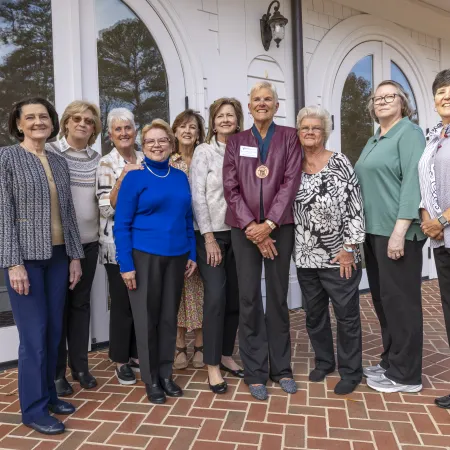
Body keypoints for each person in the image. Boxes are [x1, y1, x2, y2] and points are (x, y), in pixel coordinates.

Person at [0, 98, 84, 435]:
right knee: (33, 336)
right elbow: (2, 214)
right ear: (19, 124)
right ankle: (33, 410)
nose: (38, 122)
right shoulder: (6, 158)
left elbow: (68, 213)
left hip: (60, 257)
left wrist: (76, 256)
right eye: (30, 117)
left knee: (52, 333)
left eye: (44, 116)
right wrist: (12, 262)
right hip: (27, 261)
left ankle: (49, 395)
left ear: (52, 122)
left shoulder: (58, 161)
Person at [223, 81, 302, 401]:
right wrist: (252, 227)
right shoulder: (236, 141)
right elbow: (231, 187)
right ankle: (255, 370)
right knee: (250, 299)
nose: (262, 103)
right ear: (249, 104)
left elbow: (290, 180)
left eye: (268, 99)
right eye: (257, 99)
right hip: (243, 230)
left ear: (276, 105)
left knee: (279, 296)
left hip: (279, 227)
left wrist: (268, 224)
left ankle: (281, 368)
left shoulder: (289, 137)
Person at [114, 119, 197, 404]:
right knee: (146, 320)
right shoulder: (134, 177)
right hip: (143, 257)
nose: (157, 145)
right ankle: (150, 379)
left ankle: (166, 374)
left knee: (167, 318)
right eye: (151, 141)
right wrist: (125, 264)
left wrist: (193, 254)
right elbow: (121, 224)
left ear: (171, 145)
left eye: (163, 140)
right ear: (143, 146)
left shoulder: (180, 177)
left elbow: (188, 218)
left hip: (176, 257)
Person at [354, 80, 427, 393]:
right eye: (377, 97)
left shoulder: (409, 133)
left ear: (403, 102)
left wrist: (399, 231)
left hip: (396, 232)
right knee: (385, 301)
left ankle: (406, 375)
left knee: (402, 303)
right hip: (373, 232)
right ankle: (390, 360)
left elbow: (413, 181)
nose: (382, 101)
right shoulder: (375, 139)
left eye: (389, 96)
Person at [294, 106, 365, 395]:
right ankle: (324, 361)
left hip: (340, 256)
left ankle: (351, 371)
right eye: (305, 128)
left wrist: (349, 247)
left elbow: (356, 208)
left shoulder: (340, 163)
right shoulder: (292, 165)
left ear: (325, 132)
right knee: (314, 314)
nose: (310, 132)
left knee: (346, 315)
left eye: (316, 128)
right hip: (305, 255)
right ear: (298, 133)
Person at [47, 101, 102, 396]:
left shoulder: (97, 158)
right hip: (59, 246)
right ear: (66, 122)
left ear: (94, 128)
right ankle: (57, 373)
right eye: (77, 119)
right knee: (59, 309)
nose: (82, 124)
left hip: (90, 242)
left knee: (80, 306)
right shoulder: (52, 153)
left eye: (89, 121)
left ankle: (79, 366)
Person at [190, 98, 245, 393]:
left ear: (238, 120)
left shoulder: (244, 150)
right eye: (220, 116)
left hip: (239, 233)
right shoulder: (204, 151)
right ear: (213, 122)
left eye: (231, 115)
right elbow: (197, 195)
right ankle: (211, 364)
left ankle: (225, 354)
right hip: (211, 235)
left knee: (235, 297)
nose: (225, 120)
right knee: (215, 297)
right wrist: (209, 237)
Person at [96, 108, 143, 385]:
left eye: (128, 128)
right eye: (118, 129)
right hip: (116, 245)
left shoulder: (146, 158)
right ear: (111, 135)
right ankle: (120, 360)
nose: (124, 133)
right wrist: (124, 176)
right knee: (123, 303)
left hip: (145, 243)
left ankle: (137, 353)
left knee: (140, 301)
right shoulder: (106, 164)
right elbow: (106, 209)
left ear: (135, 131)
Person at [418, 69, 450, 408]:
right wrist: (427, 218)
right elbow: (425, 182)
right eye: (441, 91)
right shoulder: (434, 136)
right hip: (441, 239)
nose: (446, 96)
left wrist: (440, 219)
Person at [170, 109, 206, 370]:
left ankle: (201, 344)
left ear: (198, 133)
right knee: (181, 290)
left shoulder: (205, 157)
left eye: (192, 127)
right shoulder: (168, 161)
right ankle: (180, 344)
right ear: (174, 131)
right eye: (182, 126)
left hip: (206, 231)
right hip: (178, 232)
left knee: (202, 290)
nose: (187, 130)